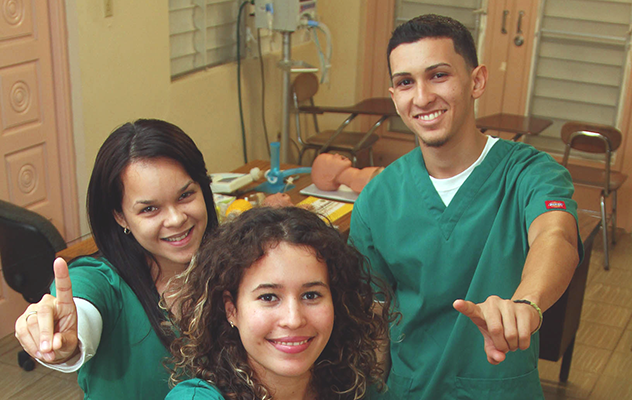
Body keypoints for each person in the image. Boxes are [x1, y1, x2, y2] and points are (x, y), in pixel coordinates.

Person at [348, 14, 581, 400]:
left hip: (500, 388)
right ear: (394, 96)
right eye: (405, 82)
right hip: (409, 391)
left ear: (476, 81)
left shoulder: (528, 173)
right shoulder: (379, 198)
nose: (421, 97)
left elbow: (556, 236)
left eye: (438, 75)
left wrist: (526, 303)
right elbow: (372, 314)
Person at [14, 119, 219, 399]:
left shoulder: (232, 268)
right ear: (120, 216)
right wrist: (64, 339)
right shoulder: (101, 280)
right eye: (149, 209)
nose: (176, 219)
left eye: (185, 195)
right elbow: (81, 310)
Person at [164, 207, 396, 400]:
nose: (294, 319)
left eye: (311, 295)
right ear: (231, 309)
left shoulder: (357, 388)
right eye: (268, 297)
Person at [311, 153, 383, 193]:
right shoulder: (360, 182)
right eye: (331, 158)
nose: (336, 154)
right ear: (329, 176)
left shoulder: (363, 174)